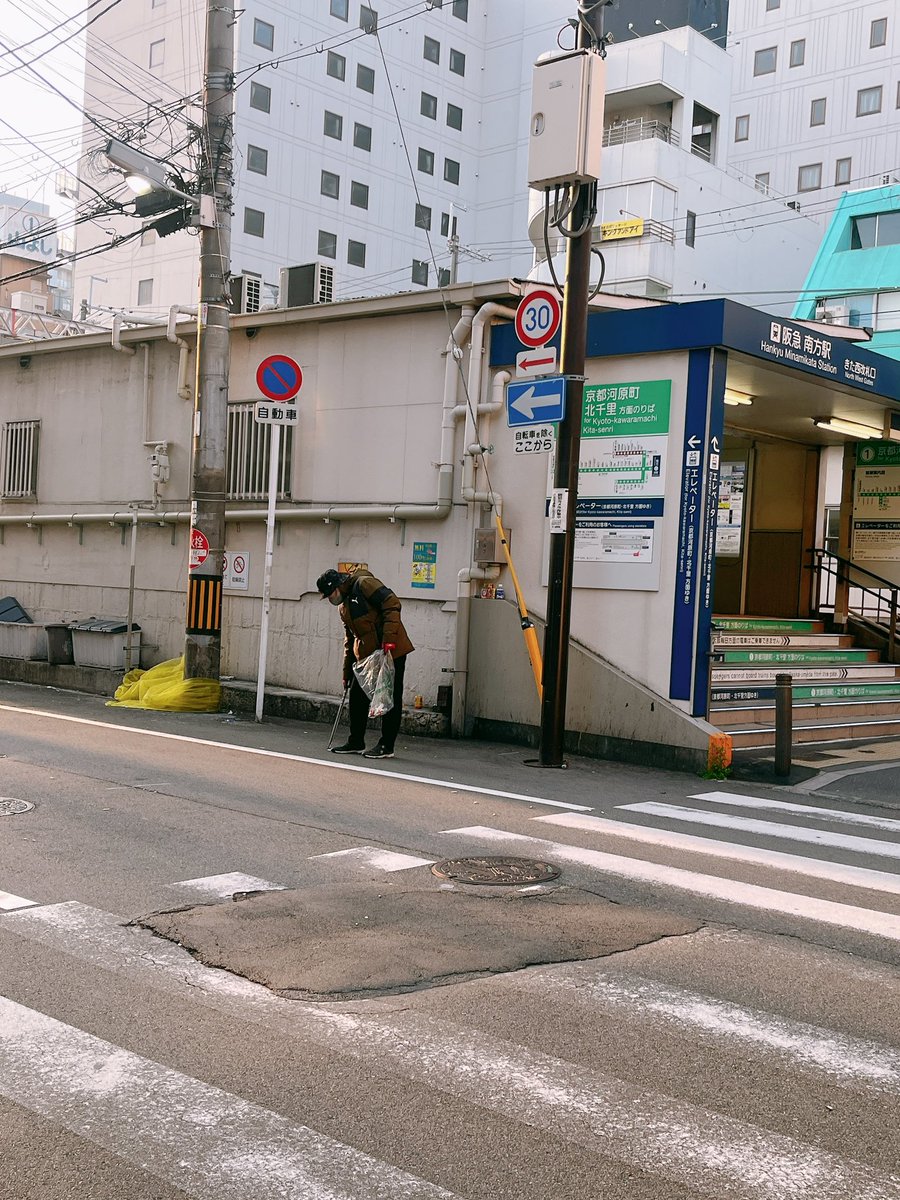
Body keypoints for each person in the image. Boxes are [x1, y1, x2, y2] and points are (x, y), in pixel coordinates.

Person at [316, 567, 414, 759]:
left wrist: (389, 639)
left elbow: (392, 603)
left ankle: (387, 745)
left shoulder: (364, 584)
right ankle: (356, 741)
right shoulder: (343, 607)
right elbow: (350, 640)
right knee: (357, 696)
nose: (330, 599)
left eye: (330, 594)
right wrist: (347, 673)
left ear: (337, 587)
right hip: (367, 656)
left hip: (390, 651)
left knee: (389, 696)